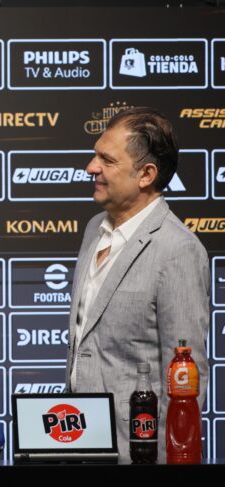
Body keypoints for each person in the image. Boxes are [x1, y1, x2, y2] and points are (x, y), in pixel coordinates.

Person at [65, 107, 209, 461]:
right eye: (95, 154)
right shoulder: (93, 229)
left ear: (146, 174)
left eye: (106, 159)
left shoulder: (178, 250)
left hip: (137, 455)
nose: (91, 167)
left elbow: (186, 381)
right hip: (77, 444)